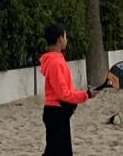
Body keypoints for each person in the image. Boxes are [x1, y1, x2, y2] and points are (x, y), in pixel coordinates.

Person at [39, 21, 98, 156]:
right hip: (56, 113)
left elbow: (65, 92)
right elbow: (64, 94)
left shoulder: (55, 60)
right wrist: (86, 95)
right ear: (60, 39)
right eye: (65, 37)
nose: (66, 40)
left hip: (58, 112)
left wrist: (86, 94)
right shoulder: (55, 62)